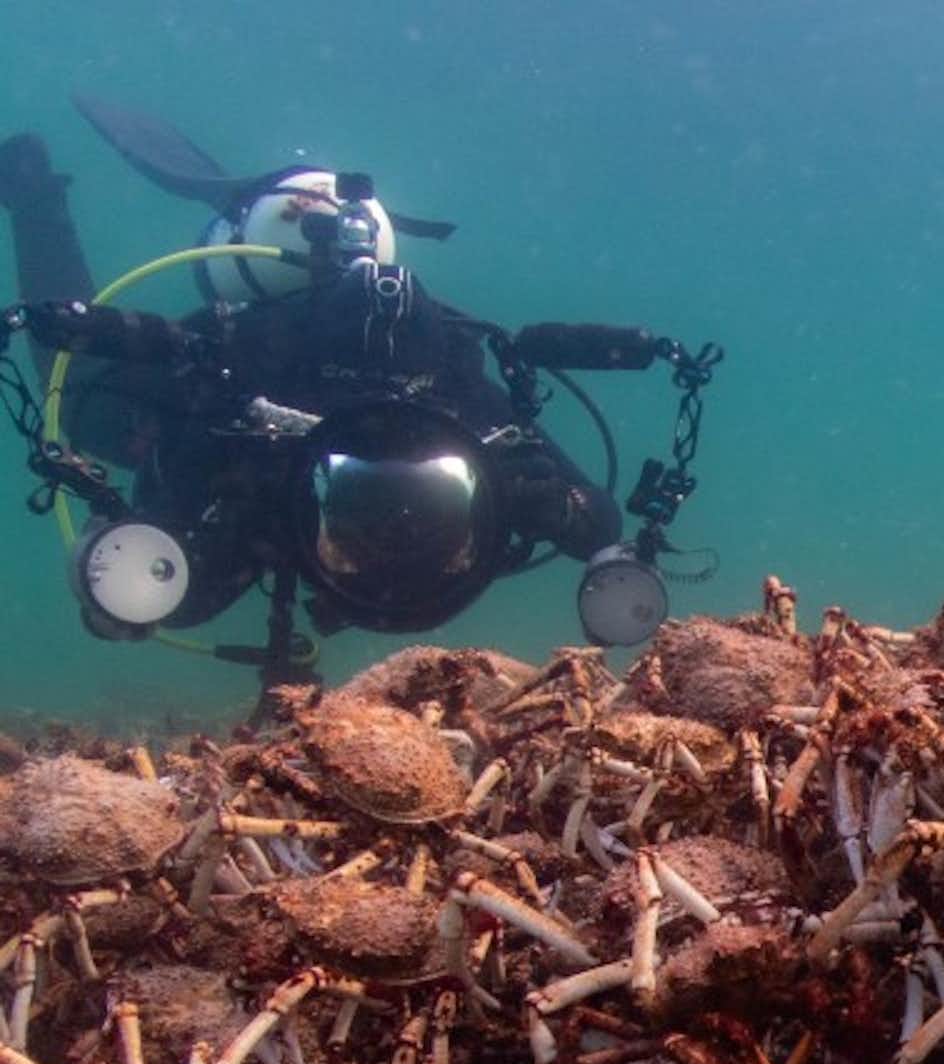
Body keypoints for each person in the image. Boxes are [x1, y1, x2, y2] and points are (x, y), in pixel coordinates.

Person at [0, 97, 631, 662]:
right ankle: (34, 196)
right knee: (90, 406)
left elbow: (155, 587)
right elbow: (597, 524)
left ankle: (33, 195)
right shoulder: (420, 368)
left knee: (89, 404)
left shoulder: (417, 367)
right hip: (258, 490)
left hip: (255, 503)